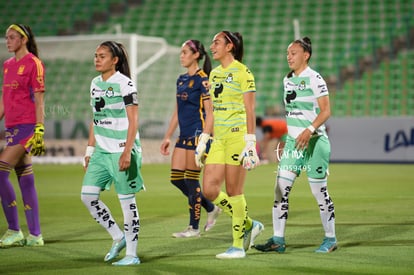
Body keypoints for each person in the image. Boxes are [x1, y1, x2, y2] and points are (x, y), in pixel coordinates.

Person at [254, 37, 337, 254]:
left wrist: (309, 130)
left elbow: (326, 111)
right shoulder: (287, 79)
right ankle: (278, 240)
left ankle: (330, 239)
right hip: (293, 144)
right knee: (280, 190)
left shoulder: (315, 79)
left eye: (293, 53)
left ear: (306, 55)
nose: (288, 56)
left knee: (319, 193)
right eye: (287, 53)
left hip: (315, 142)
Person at [198, 31, 264, 259]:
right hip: (219, 139)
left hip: (238, 137)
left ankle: (237, 246)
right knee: (209, 189)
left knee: (235, 191)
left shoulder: (243, 72)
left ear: (230, 46)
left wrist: (250, 142)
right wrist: (205, 137)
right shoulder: (214, 74)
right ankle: (249, 224)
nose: (212, 46)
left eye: (217, 42)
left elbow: (250, 109)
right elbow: (214, 110)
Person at [80, 41, 144, 266]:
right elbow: (95, 118)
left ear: (114, 60)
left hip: (121, 150)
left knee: (127, 202)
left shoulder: (125, 84)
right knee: (87, 196)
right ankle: (118, 237)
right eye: (96, 55)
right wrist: (89, 149)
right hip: (100, 151)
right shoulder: (95, 83)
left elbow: (134, 120)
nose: (97, 59)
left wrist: (127, 151)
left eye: (102, 56)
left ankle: (132, 254)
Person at [160, 39, 221, 238]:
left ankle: (193, 228)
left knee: (190, 179)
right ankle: (210, 207)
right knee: (177, 179)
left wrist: (205, 137)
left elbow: (210, 112)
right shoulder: (181, 80)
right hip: (183, 134)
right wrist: (168, 136)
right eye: (181, 52)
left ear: (196, 55)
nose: (181, 55)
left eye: (185, 52)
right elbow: (177, 111)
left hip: (197, 134)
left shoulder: (204, 80)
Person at [0, 24, 46, 247]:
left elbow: (39, 101)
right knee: (25, 178)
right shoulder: (7, 65)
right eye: (6, 38)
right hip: (12, 128)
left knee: (0, 170)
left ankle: (14, 230)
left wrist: (39, 129)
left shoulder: (34, 64)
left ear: (23, 39)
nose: (7, 41)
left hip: (28, 128)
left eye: (11, 37)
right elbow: (4, 98)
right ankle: (35, 235)